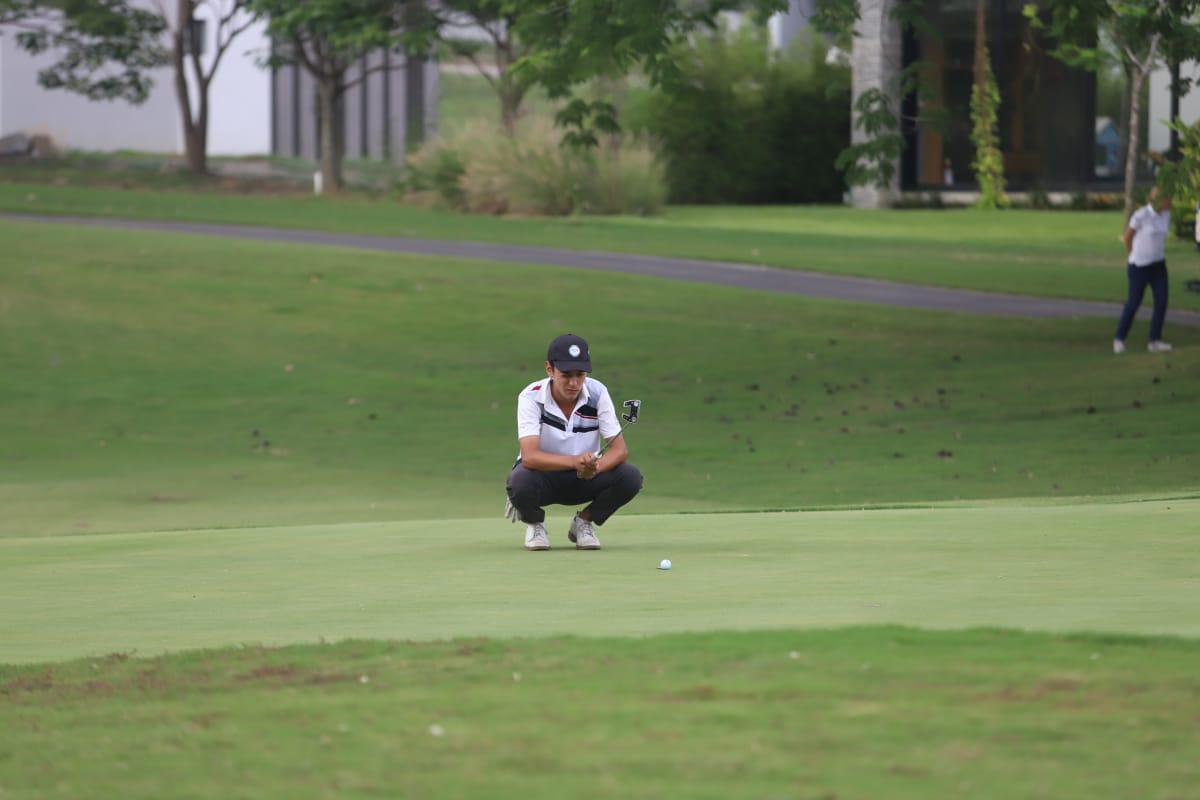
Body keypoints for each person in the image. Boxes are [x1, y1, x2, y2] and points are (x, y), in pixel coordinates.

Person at [504, 333, 643, 551]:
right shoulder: (531, 397)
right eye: (566, 375)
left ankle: (583, 523)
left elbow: (619, 451)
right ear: (549, 370)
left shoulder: (597, 393)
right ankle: (535, 524)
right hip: (543, 477)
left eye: (580, 374)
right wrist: (575, 462)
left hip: (585, 477)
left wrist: (594, 468)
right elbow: (530, 457)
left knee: (631, 477)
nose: (574, 383)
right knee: (519, 481)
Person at [1114, 186, 1173, 354]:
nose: (1170, 203)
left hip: (1158, 266)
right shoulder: (1141, 216)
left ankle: (1154, 340)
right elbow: (1127, 238)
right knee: (1133, 303)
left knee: (1161, 303)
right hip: (1139, 267)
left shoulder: (1166, 215)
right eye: (1167, 199)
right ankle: (1119, 339)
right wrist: (1133, 254)